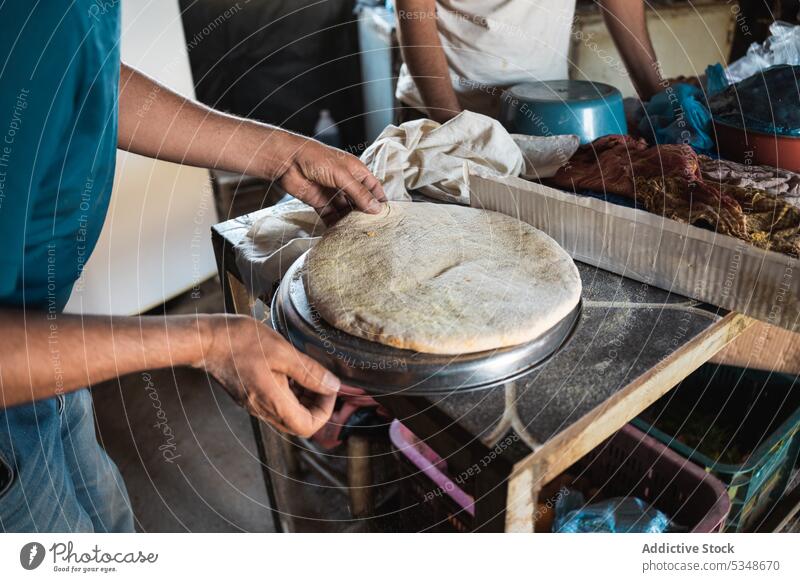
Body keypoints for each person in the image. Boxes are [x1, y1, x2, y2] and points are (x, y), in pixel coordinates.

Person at [0, 2, 384, 532]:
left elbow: (78, 78)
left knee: (108, 531)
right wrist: (205, 342)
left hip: (49, 353)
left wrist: (281, 154)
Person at [395, 0, 665, 123]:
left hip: (550, 117)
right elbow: (414, 9)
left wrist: (660, 100)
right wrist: (451, 126)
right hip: (445, 109)